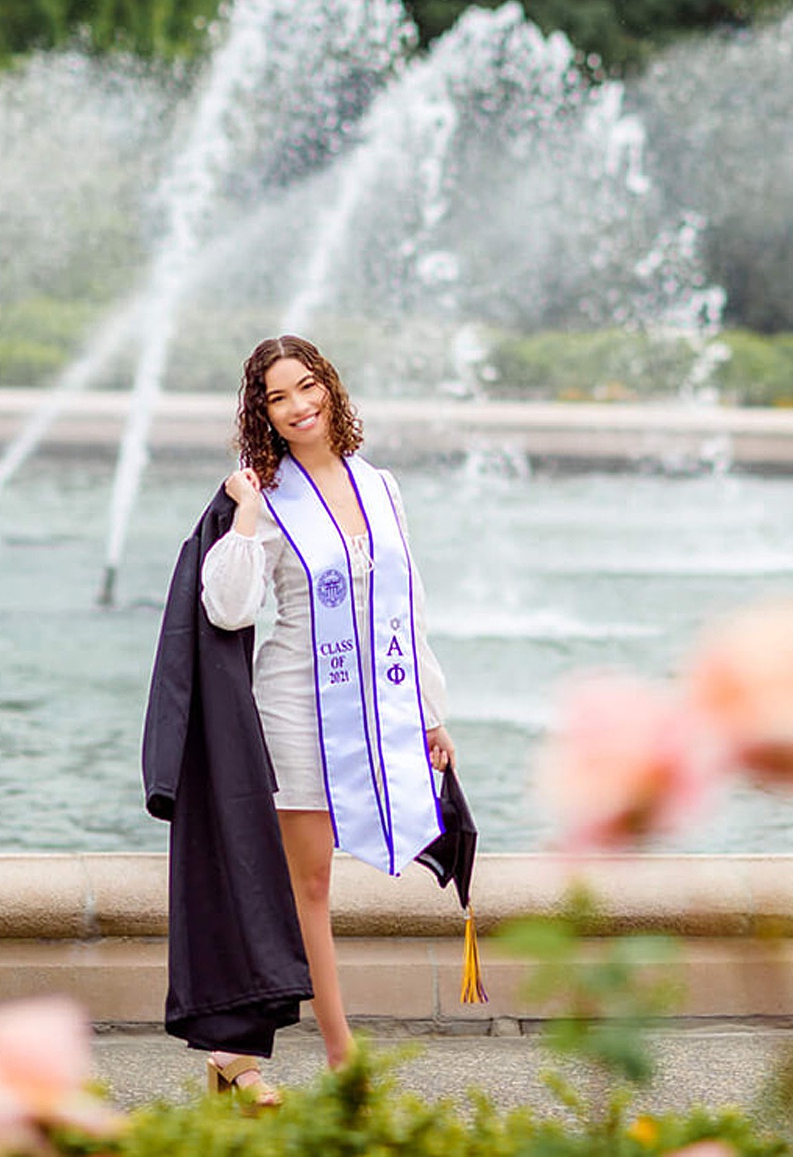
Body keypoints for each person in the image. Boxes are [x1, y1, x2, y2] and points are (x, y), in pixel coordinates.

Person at [190, 336, 457, 1102]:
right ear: (263, 413)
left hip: (372, 703)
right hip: (295, 709)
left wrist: (428, 713)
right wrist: (243, 516)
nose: (299, 405)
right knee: (305, 883)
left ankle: (230, 1054)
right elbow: (229, 605)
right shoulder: (266, 495)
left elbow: (407, 608)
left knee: (303, 883)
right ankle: (338, 1056)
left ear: (331, 389)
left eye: (307, 386)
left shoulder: (382, 486)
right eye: (279, 397)